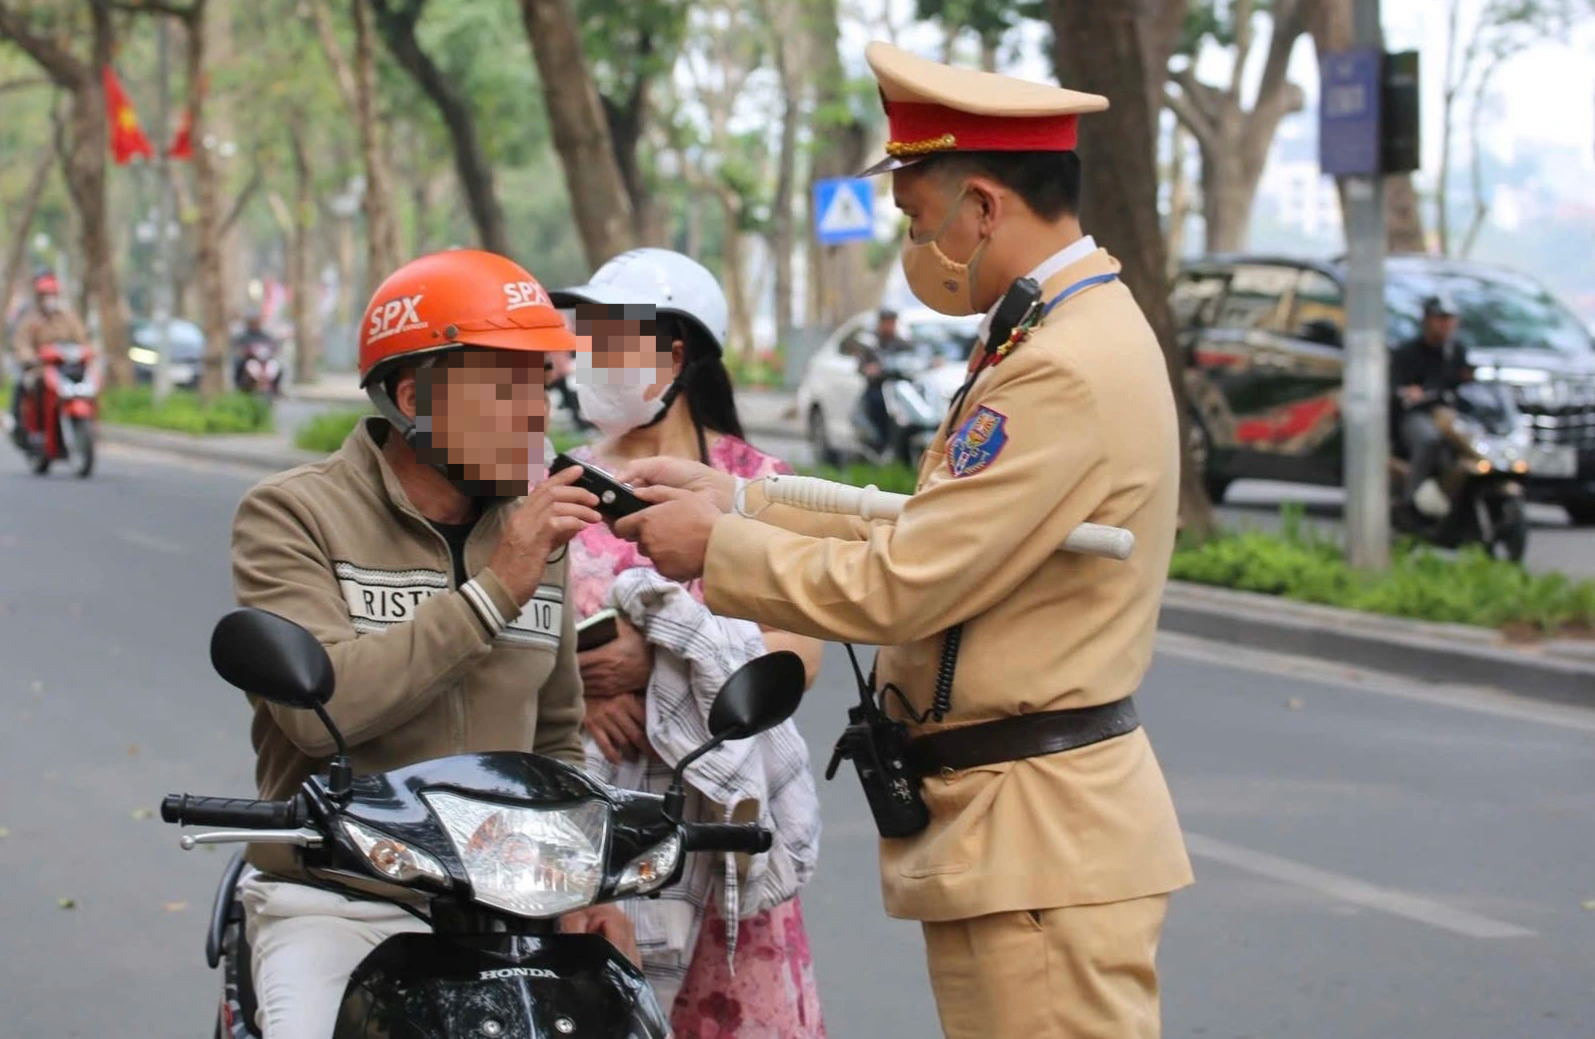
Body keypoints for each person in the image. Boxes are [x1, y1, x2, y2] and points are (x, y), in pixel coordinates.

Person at [609, 43, 1192, 1039]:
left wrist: (716, 548)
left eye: (918, 218)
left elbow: (909, 580)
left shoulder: (1062, 364)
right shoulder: (1046, 335)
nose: (916, 245)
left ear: (981, 206)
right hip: (1012, 829)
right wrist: (745, 501)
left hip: (1041, 835)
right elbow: (933, 523)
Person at [228, 249, 633, 1039]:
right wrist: (492, 590)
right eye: (504, 389)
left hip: (509, 907)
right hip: (341, 898)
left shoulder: (531, 530)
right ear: (413, 396)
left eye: (539, 388)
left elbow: (556, 735)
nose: (533, 417)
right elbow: (319, 714)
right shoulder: (292, 515)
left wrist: (587, 885)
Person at [551, 247, 828, 1036]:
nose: (586, 360)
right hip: (589, 849)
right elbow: (507, 645)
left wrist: (661, 660)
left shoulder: (758, 486)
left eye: (608, 340)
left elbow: (794, 658)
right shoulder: (552, 486)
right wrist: (582, 689)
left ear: (673, 355)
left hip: (722, 834)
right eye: (584, 339)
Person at [1391, 293, 1472, 517]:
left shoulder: (1456, 351)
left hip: (1449, 413)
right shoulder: (1408, 352)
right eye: (1440, 318)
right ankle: (1411, 500)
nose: (1446, 324)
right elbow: (1394, 386)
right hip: (1417, 414)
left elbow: (1466, 383)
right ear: (1427, 320)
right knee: (1429, 441)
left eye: (1450, 319)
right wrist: (1409, 391)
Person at [9, 273, 89, 448]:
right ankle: (33, 430)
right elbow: (21, 344)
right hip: (41, 368)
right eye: (46, 296)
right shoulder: (30, 320)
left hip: (66, 367)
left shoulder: (68, 318)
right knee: (30, 385)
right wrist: (29, 357)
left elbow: (82, 339)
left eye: (52, 295)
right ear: (39, 297)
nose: (50, 300)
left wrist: (88, 352)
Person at [856, 307, 915, 448]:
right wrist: (869, 369)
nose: (888, 326)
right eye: (885, 322)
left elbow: (915, 359)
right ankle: (880, 441)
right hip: (879, 386)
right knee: (876, 402)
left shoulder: (903, 343)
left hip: (901, 385)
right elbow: (861, 366)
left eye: (891, 322)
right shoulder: (871, 343)